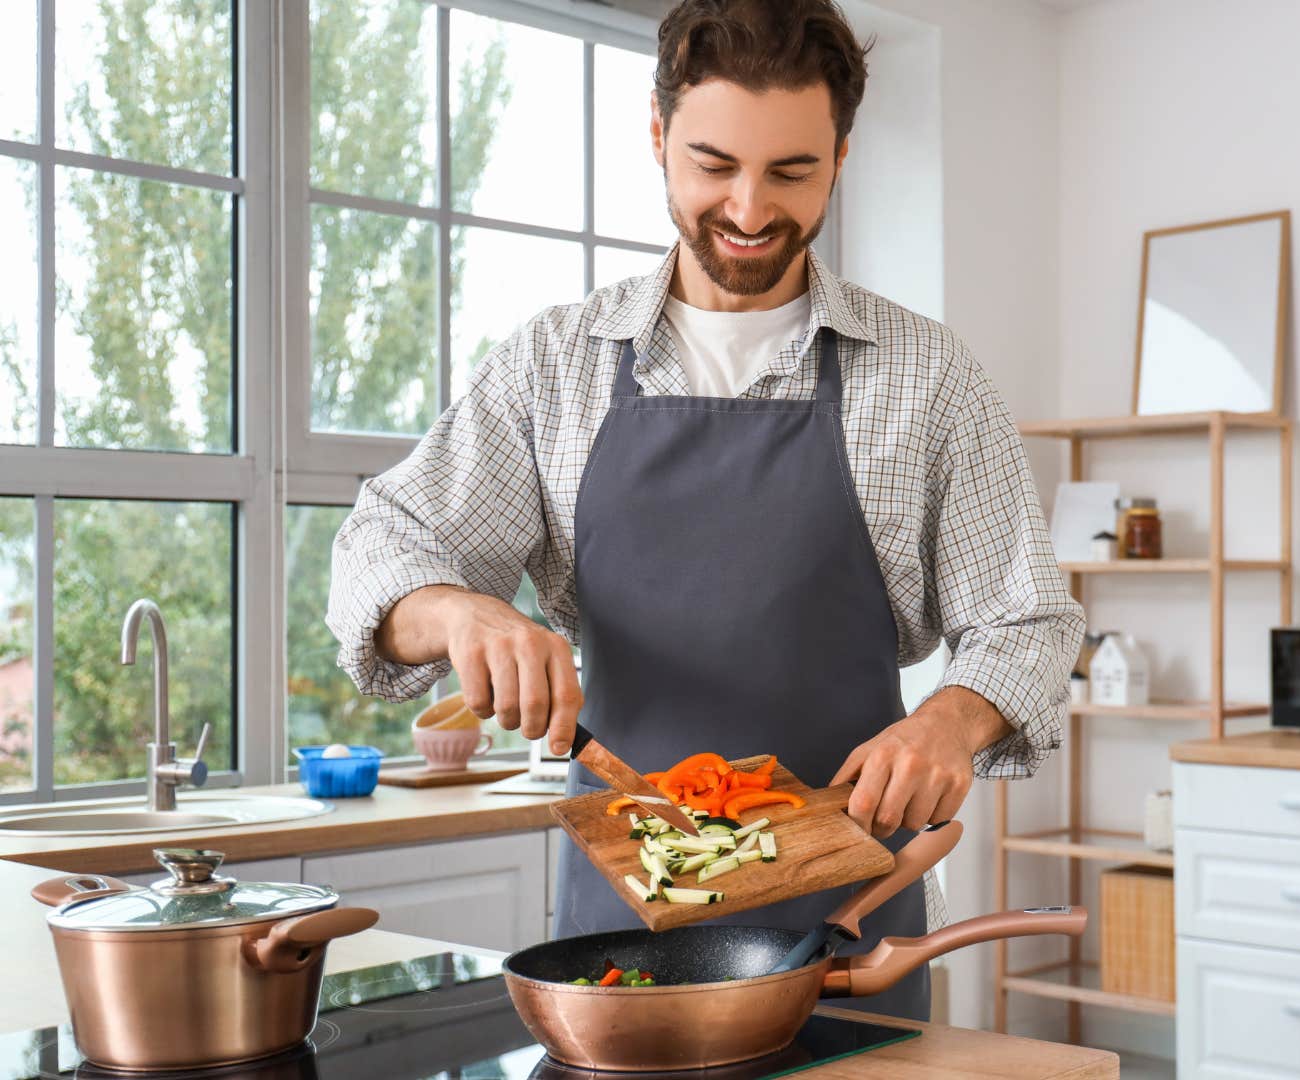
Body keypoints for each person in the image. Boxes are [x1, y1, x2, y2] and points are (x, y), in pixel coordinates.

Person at [324, 0, 1083, 1021]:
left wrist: (953, 716)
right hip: (623, 942)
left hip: (850, 923)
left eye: (791, 172)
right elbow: (383, 544)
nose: (749, 209)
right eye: (714, 164)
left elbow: (1028, 621)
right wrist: (460, 610)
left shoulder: (928, 375)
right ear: (657, 136)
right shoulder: (557, 366)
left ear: (843, 156)